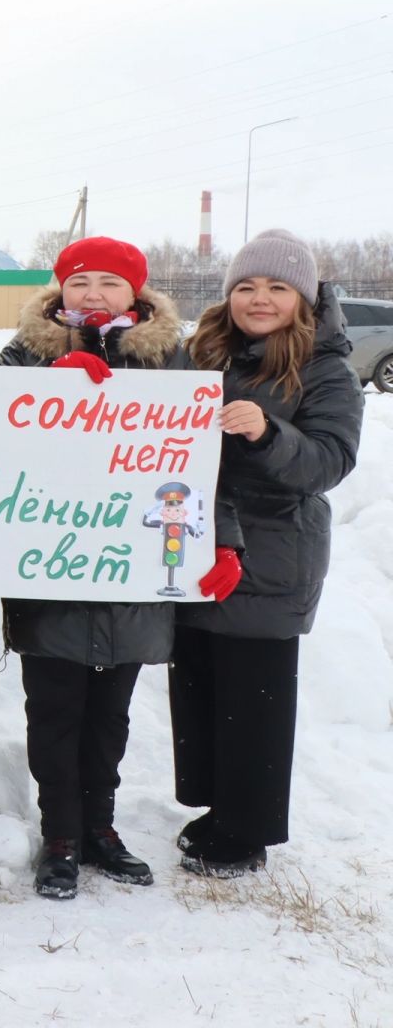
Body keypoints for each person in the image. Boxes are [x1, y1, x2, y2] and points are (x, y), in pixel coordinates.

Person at [0, 236, 211, 898]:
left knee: (110, 716)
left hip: (135, 573)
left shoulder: (173, 361)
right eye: (80, 281)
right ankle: (60, 834)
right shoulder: (26, 353)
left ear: (136, 295)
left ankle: (101, 829)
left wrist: (213, 544)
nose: (93, 293)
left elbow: (199, 459)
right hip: (51, 566)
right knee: (54, 711)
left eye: (109, 283)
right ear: (59, 290)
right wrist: (41, 392)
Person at [171, 230, 362, 876]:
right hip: (198, 540)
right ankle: (218, 805)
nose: (260, 299)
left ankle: (245, 833)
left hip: (273, 552)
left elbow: (330, 460)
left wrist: (265, 432)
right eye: (248, 286)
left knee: (254, 697)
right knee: (200, 682)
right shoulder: (204, 353)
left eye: (278, 288)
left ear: (302, 299)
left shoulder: (325, 367)